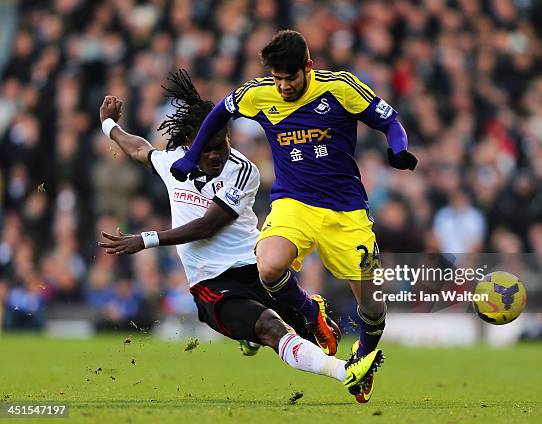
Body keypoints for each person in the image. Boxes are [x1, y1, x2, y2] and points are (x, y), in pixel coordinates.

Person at [97, 70, 383, 398]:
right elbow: (138, 149)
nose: (218, 154)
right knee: (271, 329)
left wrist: (146, 239)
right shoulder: (173, 161)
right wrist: (109, 125)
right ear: (192, 144)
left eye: (223, 144)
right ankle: (347, 373)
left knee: (324, 336)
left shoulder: (242, 170)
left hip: (255, 270)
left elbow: (209, 225)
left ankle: (306, 314)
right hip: (212, 282)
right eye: (208, 149)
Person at [170, 30, 416, 403]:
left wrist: (397, 149)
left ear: (308, 67)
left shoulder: (341, 87)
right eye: (277, 78)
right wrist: (191, 157)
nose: (283, 86)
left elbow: (389, 121)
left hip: (346, 211)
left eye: (290, 77)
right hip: (293, 203)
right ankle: (307, 308)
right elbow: (219, 111)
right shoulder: (258, 92)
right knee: (268, 266)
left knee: (371, 303)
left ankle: (364, 359)